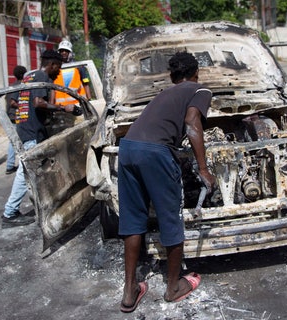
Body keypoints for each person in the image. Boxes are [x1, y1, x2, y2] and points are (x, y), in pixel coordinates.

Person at [117, 51, 216, 313]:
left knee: (133, 220)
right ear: (196, 73)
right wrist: (203, 168)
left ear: (173, 77)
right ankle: (172, 288)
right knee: (170, 218)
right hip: (155, 153)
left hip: (127, 149)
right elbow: (192, 121)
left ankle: (130, 292)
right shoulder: (199, 88)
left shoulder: (164, 94)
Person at [1, 49, 79, 228]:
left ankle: (44, 203)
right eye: (58, 67)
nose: (59, 71)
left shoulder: (30, 76)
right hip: (32, 131)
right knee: (26, 170)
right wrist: (63, 109)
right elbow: (38, 103)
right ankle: (10, 212)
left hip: (23, 126)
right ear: (51, 64)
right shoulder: (42, 76)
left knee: (37, 169)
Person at [4, 65, 27, 175]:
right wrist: (23, 107)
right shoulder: (22, 86)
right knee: (20, 141)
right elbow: (13, 103)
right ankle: (16, 164)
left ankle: (10, 165)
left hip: (10, 117)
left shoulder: (10, 87)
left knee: (13, 141)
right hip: (18, 117)